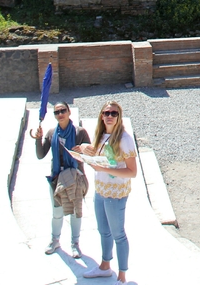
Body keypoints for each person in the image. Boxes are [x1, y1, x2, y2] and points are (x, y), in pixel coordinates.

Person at [78, 102, 137, 282]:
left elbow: (132, 172)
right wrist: (83, 151)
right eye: (106, 113)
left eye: (114, 113)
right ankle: (105, 266)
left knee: (118, 233)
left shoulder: (124, 140)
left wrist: (105, 170)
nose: (110, 116)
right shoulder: (101, 136)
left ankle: (122, 276)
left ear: (119, 117)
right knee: (104, 231)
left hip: (116, 194)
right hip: (101, 190)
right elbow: (100, 158)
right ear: (101, 116)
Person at [33, 102, 90, 257]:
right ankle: (55, 240)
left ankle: (75, 243)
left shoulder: (80, 132)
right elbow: (40, 154)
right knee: (57, 212)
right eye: (57, 112)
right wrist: (38, 139)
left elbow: (91, 154)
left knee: (75, 212)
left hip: (75, 176)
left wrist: (83, 150)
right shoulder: (52, 133)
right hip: (57, 177)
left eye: (63, 110)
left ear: (69, 112)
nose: (60, 114)